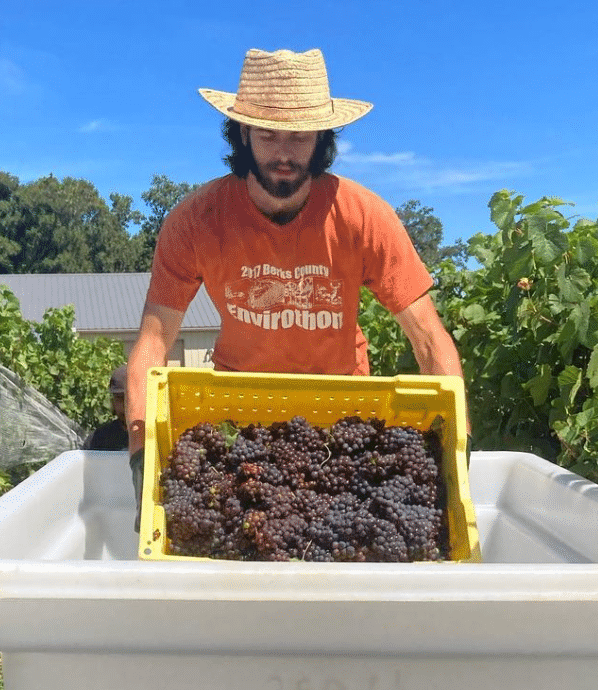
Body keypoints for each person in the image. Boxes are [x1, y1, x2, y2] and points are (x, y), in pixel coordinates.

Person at [126, 46, 464, 479]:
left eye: (299, 137)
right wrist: (140, 451)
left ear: (322, 139)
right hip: (240, 412)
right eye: (268, 135)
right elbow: (154, 342)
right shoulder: (195, 221)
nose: (283, 154)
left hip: (344, 416)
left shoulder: (364, 216)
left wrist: (458, 445)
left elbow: (429, 338)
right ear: (242, 133)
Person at [83, 365, 129, 451]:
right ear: (112, 402)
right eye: (120, 398)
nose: (125, 405)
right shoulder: (98, 440)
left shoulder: (157, 436)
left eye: (130, 399)